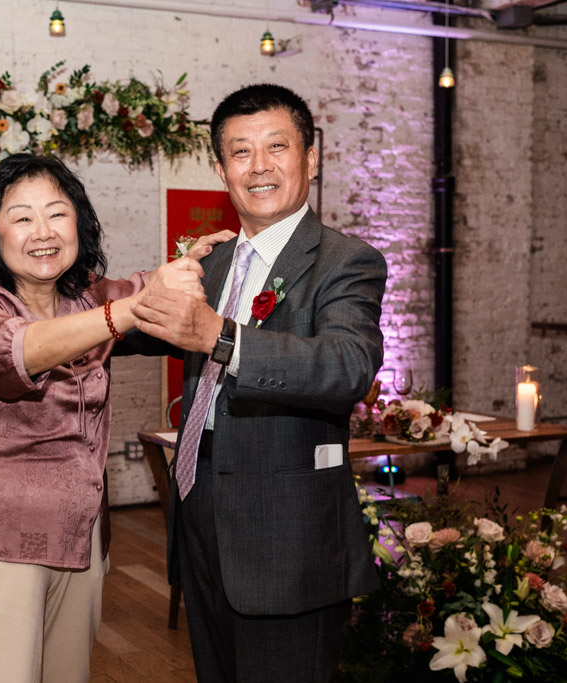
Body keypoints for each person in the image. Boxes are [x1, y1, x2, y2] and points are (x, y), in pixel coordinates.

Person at [132, 84, 388, 681]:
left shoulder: (345, 260)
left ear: (311, 158)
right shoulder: (212, 263)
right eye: (241, 152)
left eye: (278, 147)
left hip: (285, 530)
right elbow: (131, 324)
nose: (260, 166)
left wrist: (219, 336)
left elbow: (347, 364)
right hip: (198, 505)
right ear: (222, 169)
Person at [0, 153, 229, 683]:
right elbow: (19, 351)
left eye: (57, 213)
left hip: (81, 537)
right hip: (2, 538)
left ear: (79, 223)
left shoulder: (87, 297)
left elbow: (156, 289)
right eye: (22, 217)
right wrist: (133, 309)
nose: (42, 231)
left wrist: (208, 260)